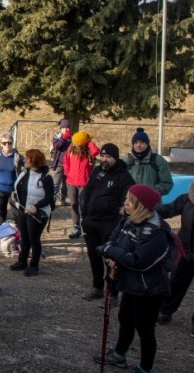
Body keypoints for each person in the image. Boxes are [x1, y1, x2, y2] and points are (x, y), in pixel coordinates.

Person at [93, 184, 172, 373]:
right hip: (131, 283)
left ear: (141, 206)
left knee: (144, 328)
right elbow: (114, 239)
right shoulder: (128, 219)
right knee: (125, 318)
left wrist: (110, 251)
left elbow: (139, 261)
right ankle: (120, 354)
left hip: (149, 289)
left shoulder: (157, 232)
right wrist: (110, 254)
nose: (125, 203)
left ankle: (145, 368)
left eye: (130, 201)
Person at [79, 143, 135, 302]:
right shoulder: (97, 171)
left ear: (115, 158)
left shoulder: (123, 176)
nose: (104, 159)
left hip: (110, 223)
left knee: (110, 258)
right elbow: (87, 191)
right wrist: (84, 214)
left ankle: (112, 292)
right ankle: (97, 287)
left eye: (108, 157)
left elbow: (128, 201)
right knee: (93, 255)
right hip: (91, 221)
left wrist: (119, 220)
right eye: (102, 156)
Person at [154, 174, 194, 340]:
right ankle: (165, 311)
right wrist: (149, 211)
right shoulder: (187, 199)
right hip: (186, 250)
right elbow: (168, 209)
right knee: (176, 282)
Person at [9, 149, 54, 277]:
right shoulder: (24, 173)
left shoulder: (46, 178)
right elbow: (20, 188)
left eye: (27, 158)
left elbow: (49, 197)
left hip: (37, 214)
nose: (25, 160)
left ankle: (34, 265)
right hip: (23, 210)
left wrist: (36, 206)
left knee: (34, 239)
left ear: (34, 161)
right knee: (24, 237)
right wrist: (15, 195)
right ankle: (22, 261)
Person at [63, 131, 100, 239]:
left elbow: (96, 151)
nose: (74, 143)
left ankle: (86, 227)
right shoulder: (71, 148)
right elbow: (65, 160)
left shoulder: (88, 149)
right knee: (73, 205)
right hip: (71, 181)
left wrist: (88, 142)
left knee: (83, 206)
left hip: (85, 182)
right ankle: (76, 227)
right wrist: (67, 171)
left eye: (77, 142)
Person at [124, 127, 173, 195]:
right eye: (136, 142)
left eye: (142, 142)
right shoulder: (126, 159)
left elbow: (166, 183)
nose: (138, 145)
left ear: (147, 143)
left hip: (151, 202)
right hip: (131, 202)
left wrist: (150, 193)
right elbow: (118, 182)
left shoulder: (157, 160)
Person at [50, 119, 72, 205]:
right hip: (59, 163)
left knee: (66, 183)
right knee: (56, 182)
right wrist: (64, 138)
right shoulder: (57, 136)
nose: (65, 129)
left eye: (67, 127)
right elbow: (57, 146)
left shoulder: (72, 138)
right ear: (61, 128)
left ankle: (63, 199)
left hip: (69, 164)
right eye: (63, 127)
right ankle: (52, 200)